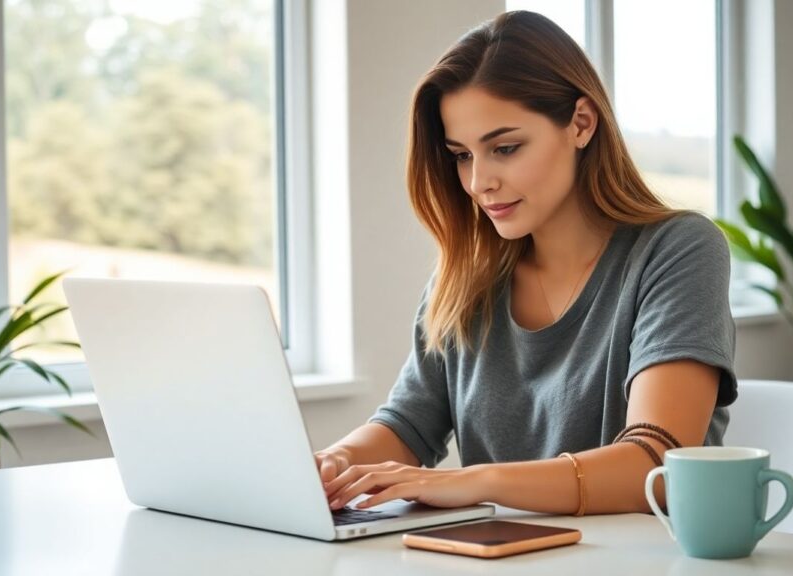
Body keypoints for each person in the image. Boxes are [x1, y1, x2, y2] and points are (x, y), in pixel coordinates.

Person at [315, 10, 736, 516]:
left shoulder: (678, 250)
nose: (479, 182)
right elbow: (406, 426)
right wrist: (333, 463)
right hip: (502, 552)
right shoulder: (467, 278)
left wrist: (477, 482)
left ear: (581, 123)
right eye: (462, 155)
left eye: (505, 148)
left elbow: (659, 463)